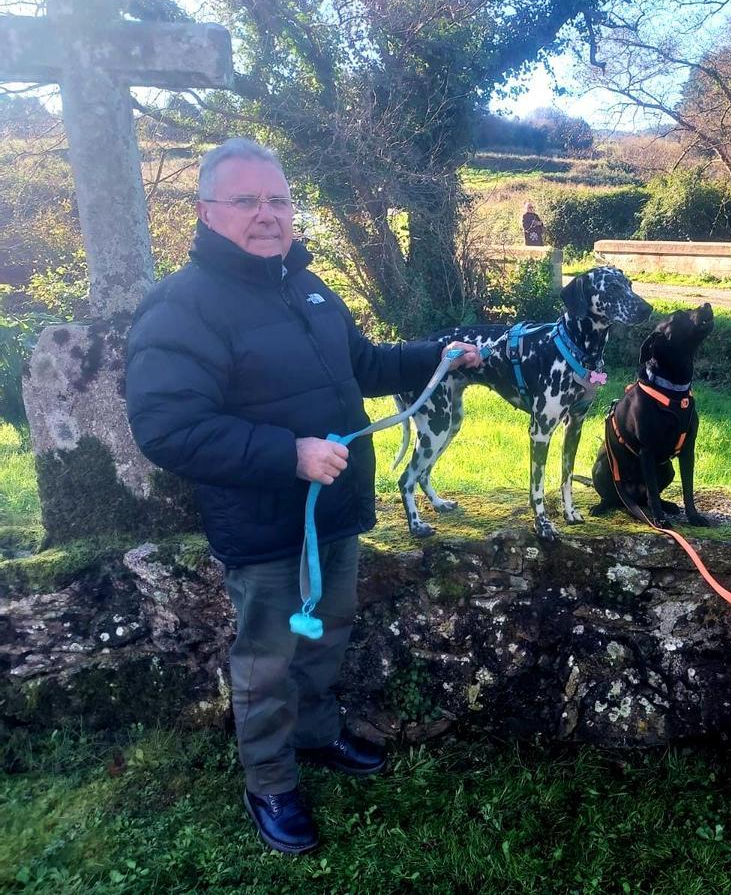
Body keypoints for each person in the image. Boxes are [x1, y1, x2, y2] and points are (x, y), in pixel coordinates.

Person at [125, 138, 481, 855]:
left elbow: (367, 364)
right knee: (270, 657)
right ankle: (270, 781)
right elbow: (167, 428)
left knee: (328, 632)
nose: (268, 214)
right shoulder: (180, 306)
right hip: (265, 528)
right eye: (247, 200)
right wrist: (288, 455)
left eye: (279, 199)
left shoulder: (310, 288)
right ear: (205, 211)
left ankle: (317, 736)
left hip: (337, 513)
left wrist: (439, 352)